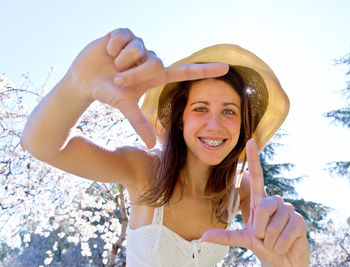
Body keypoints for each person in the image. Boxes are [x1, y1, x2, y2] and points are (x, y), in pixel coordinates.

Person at [21, 28, 310, 266]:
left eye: (229, 111)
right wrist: (77, 83)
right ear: (180, 120)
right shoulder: (144, 169)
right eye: (200, 108)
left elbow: (270, 249)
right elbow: (43, 145)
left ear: (242, 126)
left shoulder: (241, 190)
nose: (214, 125)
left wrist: (283, 264)